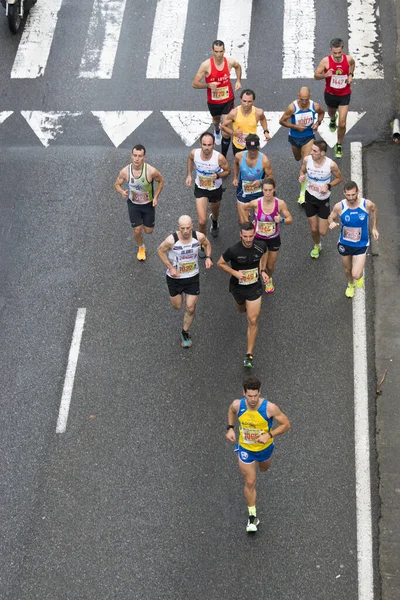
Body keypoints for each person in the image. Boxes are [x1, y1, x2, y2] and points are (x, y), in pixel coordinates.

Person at [226, 376, 291, 533]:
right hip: (246, 449)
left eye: (256, 395)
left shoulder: (270, 408)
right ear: (244, 393)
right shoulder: (238, 404)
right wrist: (229, 428)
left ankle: (262, 462)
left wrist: (269, 434)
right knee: (250, 481)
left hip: (264, 449)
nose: (253, 399)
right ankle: (252, 517)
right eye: (250, 396)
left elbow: (286, 424)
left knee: (264, 469)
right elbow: (231, 410)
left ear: (259, 392)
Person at [217, 222, 268, 368]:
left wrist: (263, 270)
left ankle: (249, 354)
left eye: (251, 236)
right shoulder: (233, 250)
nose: (248, 239)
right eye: (245, 236)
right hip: (238, 288)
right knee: (240, 309)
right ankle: (244, 306)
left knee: (252, 320)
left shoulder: (260, 246)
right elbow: (220, 263)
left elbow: (265, 253)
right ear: (240, 235)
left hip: (254, 287)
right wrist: (235, 273)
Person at [157, 215, 212, 347]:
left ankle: (185, 332)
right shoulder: (171, 240)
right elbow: (160, 251)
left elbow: (207, 244)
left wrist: (208, 257)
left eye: (188, 228)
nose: (186, 231)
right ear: (178, 228)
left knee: (190, 307)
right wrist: (170, 267)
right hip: (175, 278)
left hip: (192, 277)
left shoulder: (198, 237)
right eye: (183, 228)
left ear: (192, 226)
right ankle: (181, 301)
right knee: (177, 306)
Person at [328, 181, 379, 298]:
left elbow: (374, 210)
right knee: (347, 269)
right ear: (344, 194)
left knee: (356, 274)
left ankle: (360, 274)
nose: (351, 198)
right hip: (344, 243)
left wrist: (374, 228)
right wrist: (331, 223)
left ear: (357, 192)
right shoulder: (339, 206)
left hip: (361, 244)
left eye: (353, 194)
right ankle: (350, 285)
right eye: (348, 195)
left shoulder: (366, 204)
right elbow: (330, 217)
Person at [114, 144, 164, 261]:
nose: (137, 159)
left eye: (140, 156)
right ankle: (141, 247)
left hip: (148, 205)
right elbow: (116, 184)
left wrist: (156, 197)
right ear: (131, 156)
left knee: (148, 231)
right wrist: (121, 191)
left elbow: (161, 181)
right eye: (135, 155)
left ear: (144, 158)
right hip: (133, 205)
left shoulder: (151, 171)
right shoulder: (125, 171)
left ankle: (144, 226)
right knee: (137, 230)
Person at [243, 178, 292, 293]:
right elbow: (244, 208)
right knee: (259, 264)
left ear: (274, 189)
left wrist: (281, 220)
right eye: (265, 190)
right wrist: (249, 224)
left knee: (270, 266)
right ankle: (259, 278)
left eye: (270, 190)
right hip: (259, 238)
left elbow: (290, 219)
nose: (268, 193)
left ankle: (268, 278)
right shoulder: (256, 203)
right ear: (262, 190)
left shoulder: (280, 203)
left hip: (273, 238)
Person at [192, 40, 242, 151]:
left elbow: (238, 66)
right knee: (216, 120)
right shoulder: (206, 65)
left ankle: (223, 155)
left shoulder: (229, 62)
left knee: (226, 132)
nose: (219, 54)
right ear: (212, 51)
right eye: (216, 52)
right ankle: (216, 130)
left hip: (227, 99)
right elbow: (194, 83)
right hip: (214, 102)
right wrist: (208, 85)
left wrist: (238, 80)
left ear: (224, 50)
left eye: (221, 51)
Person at [279, 87, 325, 203]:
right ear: (298, 96)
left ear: (310, 96)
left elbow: (322, 113)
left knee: (305, 161)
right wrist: (295, 127)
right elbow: (282, 121)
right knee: (297, 158)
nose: (304, 102)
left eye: (306, 99)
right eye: (302, 99)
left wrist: (318, 123)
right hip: (294, 138)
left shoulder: (315, 106)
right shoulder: (292, 107)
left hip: (308, 137)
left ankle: (302, 193)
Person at [186, 131, 230, 253]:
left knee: (215, 212)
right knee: (202, 221)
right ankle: (202, 244)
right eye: (204, 144)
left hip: (215, 189)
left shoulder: (219, 158)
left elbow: (228, 171)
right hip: (201, 188)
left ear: (214, 144)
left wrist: (218, 175)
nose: (206, 148)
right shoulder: (194, 154)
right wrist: (189, 174)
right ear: (200, 144)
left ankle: (215, 222)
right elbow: (190, 159)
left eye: (209, 145)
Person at [298, 140, 343, 258]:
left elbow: (339, 178)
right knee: (314, 229)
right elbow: (302, 171)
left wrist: (328, 186)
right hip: (309, 197)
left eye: (315, 151)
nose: (311, 153)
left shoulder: (331, 164)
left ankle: (321, 238)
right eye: (311, 150)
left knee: (322, 231)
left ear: (322, 153)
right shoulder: (307, 160)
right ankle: (317, 245)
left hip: (323, 200)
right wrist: (301, 176)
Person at [314, 38, 356, 159]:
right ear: (331, 50)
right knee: (331, 113)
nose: (337, 56)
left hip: (344, 94)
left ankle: (339, 144)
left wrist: (350, 74)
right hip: (330, 94)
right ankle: (332, 119)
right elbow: (316, 76)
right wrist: (325, 75)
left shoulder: (348, 59)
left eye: (339, 53)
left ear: (342, 49)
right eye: (335, 53)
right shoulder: (325, 61)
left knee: (342, 124)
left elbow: (352, 65)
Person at [232, 134, 274, 224]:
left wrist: (261, 181)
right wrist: (235, 177)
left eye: (254, 150)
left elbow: (271, 178)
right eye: (250, 150)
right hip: (243, 191)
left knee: (259, 222)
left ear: (258, 147)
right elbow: (235, 164)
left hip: (258, 193)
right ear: (246, 147)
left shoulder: (264, 160)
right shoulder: (239, 156)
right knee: (244, 223)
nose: (252, 153)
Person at [220, 89, 271, 156]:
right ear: (241, 100)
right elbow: (223, 126)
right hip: (238, 145)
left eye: (249, 102)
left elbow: (263, 119)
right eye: (244, 101)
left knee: (253, 163)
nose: (246, 104)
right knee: (239, 163)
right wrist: (233, 133)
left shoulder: (258, 112)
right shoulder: (234, 113)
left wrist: (266, 131)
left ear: (253, 102)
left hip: (252, 144)